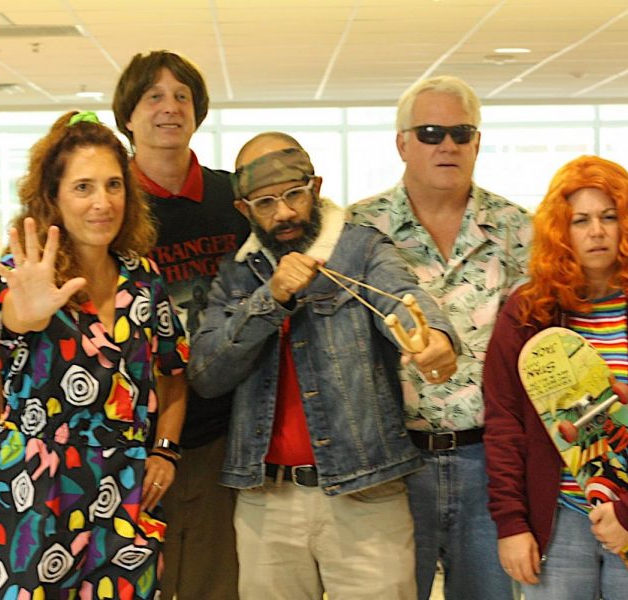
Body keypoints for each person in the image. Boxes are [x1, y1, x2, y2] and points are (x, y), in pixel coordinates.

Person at [187, 132, 460, 599]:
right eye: (267, 201)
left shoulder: (361, 250)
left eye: (294, 193)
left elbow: (404, 297)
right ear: (244, 210)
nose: (285, 212)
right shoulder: (235, 275)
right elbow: (207, 374)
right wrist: (268, 300)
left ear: (315, 186)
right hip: (265, 500)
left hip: (366, 495)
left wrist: (434, 339)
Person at [0, 111, 188, 599]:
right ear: (54, 199)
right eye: (83, 187)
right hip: (33, 485)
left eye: (113, 185)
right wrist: (26, 312)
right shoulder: (20, 273)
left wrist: (164, 452)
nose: (102, 202)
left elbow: (173, 373)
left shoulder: (144, 279)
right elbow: (11, 325)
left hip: (125, 487)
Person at [484, 155, 628, 599]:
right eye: (580, 220)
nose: (597, 231)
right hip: (558, 518)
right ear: (560, 233)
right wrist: (511, 522)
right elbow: (504, 422)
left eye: (609, 217)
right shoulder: (529, 312)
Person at [347, 75, 532, 599]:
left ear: (477, 141)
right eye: (429, 132)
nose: (446, 145)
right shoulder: (359, 230)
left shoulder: (522, 231)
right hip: (392, 466)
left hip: (492, 464)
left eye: (460, 132)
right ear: (402, 143)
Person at [112, 50, 249, 600]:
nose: (169, 108)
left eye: (181, 97)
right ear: (128, 116)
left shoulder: (232, 200)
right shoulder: (110, 202)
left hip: (224, 430)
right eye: (153, 96)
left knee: (216, 583)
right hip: (128, 436)